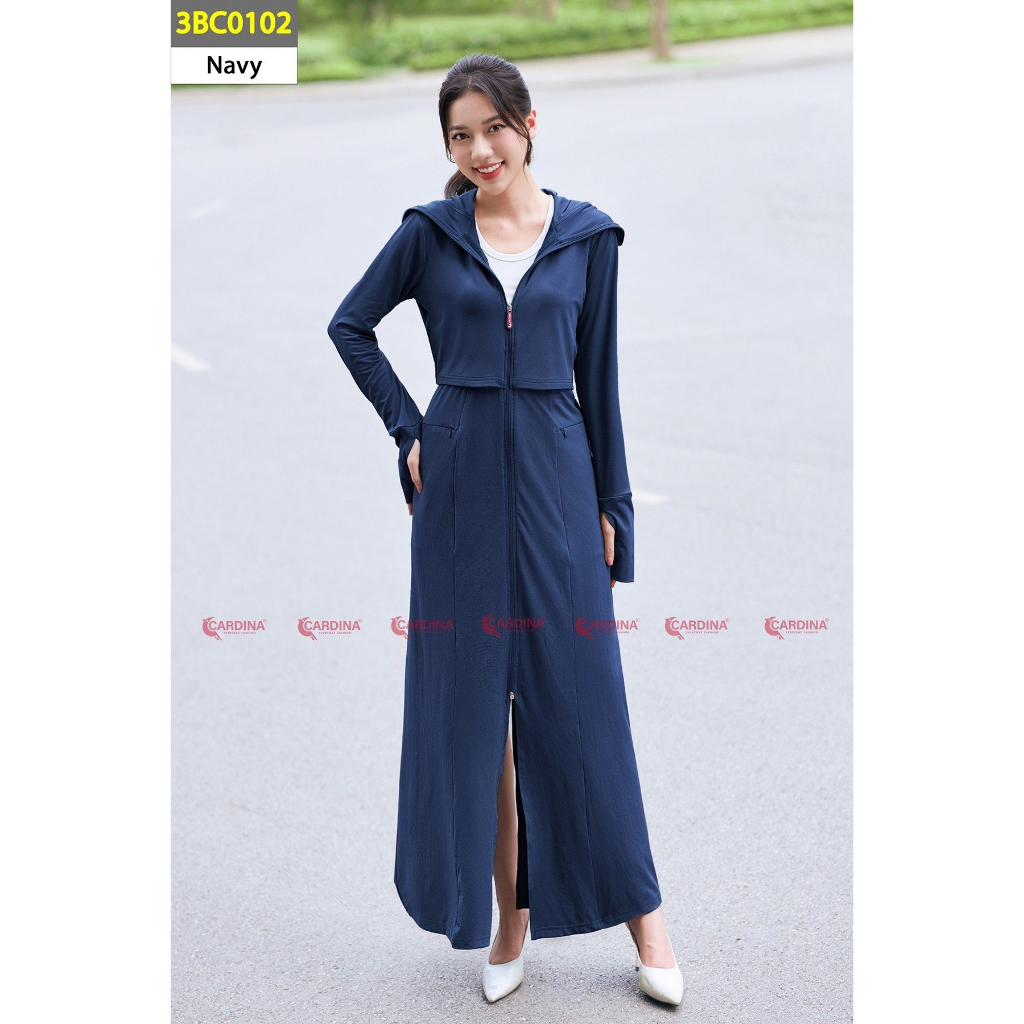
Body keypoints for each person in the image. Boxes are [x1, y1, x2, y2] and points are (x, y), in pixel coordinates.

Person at [327, 52, 684, 1007]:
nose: (479, 150)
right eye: (460, 135)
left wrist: (613, 508)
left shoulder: (588, 236)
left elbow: (600, 381)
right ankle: (509, 920)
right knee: (480, 717)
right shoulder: (430, 234)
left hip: (562, 485)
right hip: (460, 495)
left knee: (585, 703)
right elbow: (350, 325)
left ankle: (647, 921)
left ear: (530, 125)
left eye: (493, 128)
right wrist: (411, 429)